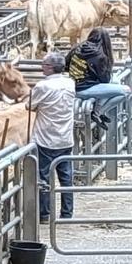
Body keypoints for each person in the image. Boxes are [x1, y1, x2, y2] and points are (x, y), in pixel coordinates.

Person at [29, 53, 76, 222]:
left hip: (46, 137)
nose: (42, 67)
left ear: (50, 67)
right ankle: (67, 213)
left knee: (43, 177)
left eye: (44, 64)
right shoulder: (70, 83)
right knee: (66, 177)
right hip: (65, 137)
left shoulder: (42, 86)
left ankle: (44, 214)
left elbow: (30, 106)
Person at [65, 28, 130, 130]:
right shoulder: (99, 55)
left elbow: (66, 66)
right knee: (126, 91)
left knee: (115, 81)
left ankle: (98, 112)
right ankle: (98, 112)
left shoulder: (77, 48)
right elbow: (105, 80)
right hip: (85, 89)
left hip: (73, 86)